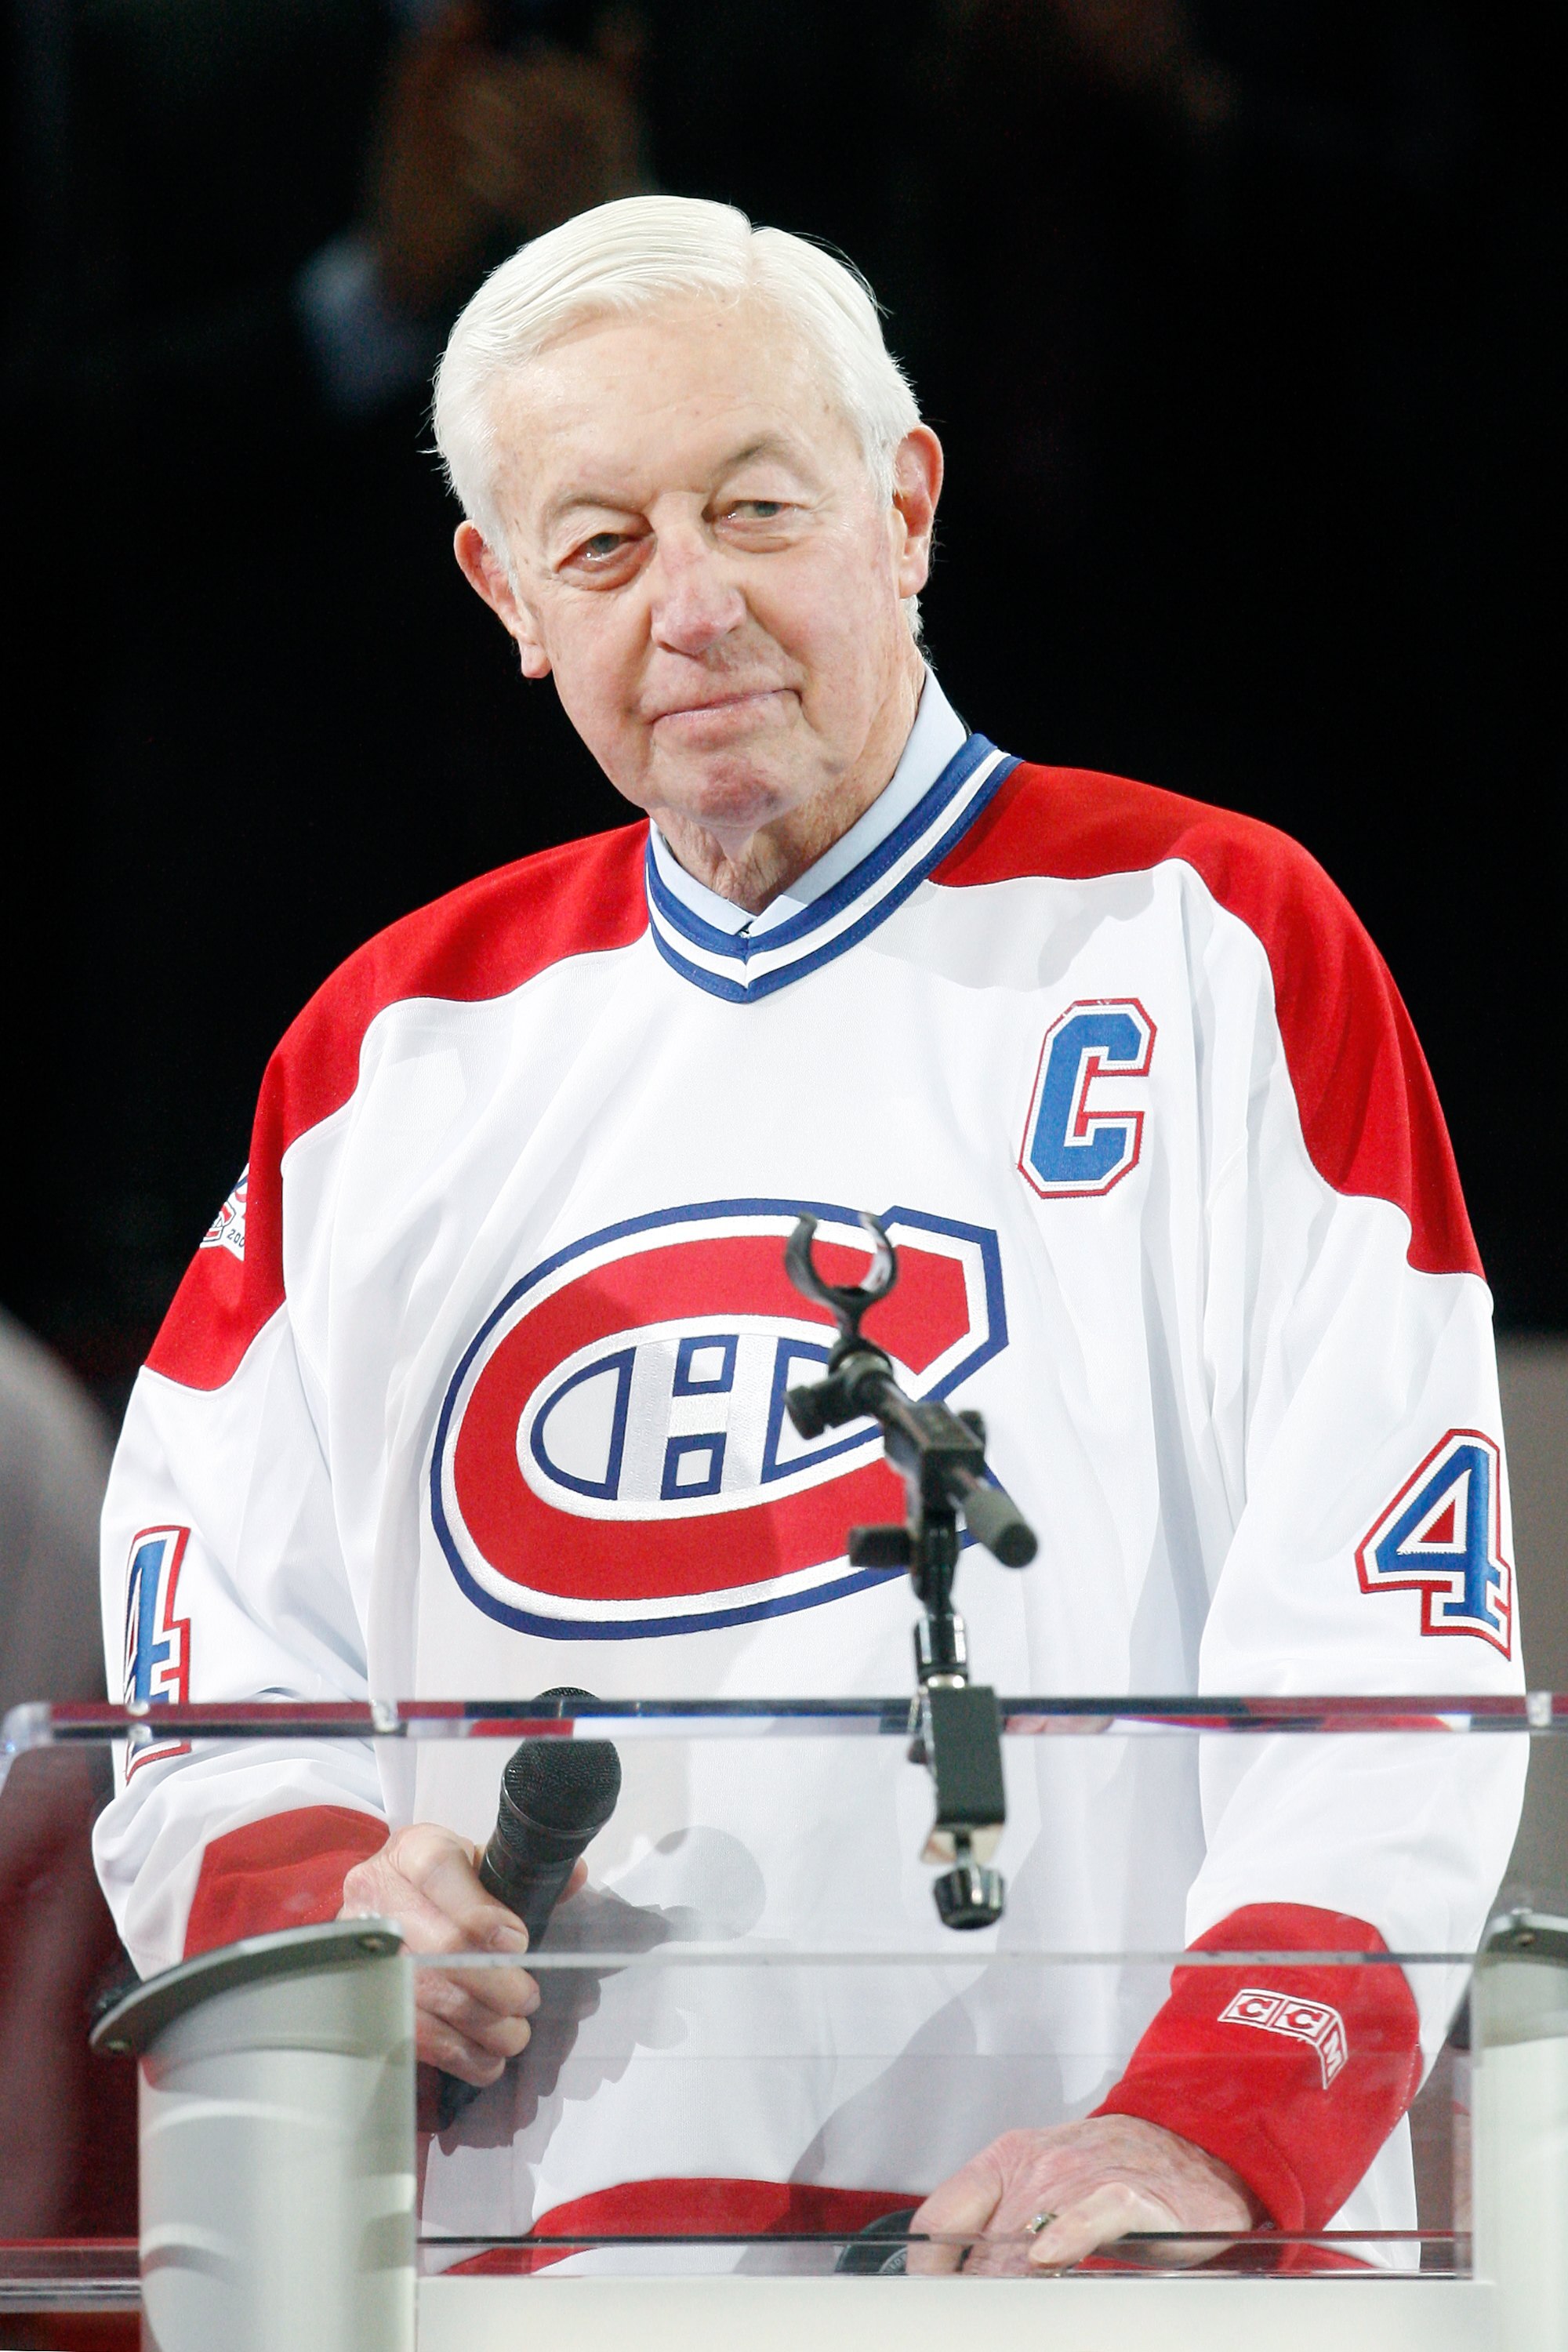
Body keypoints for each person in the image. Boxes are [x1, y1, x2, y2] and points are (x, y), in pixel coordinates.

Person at [93, 195, 1523, 2275]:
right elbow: (204, 1658)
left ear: (908, 504)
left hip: (1090, 2275)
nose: (690, 611)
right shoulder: (388, 1050)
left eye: (754, 510)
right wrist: (332, 1903)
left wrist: (1217, 2127)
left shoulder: (1212, 942)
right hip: (522, 2290)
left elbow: (1393, 1639)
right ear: (507, 594)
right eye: (601, 546)